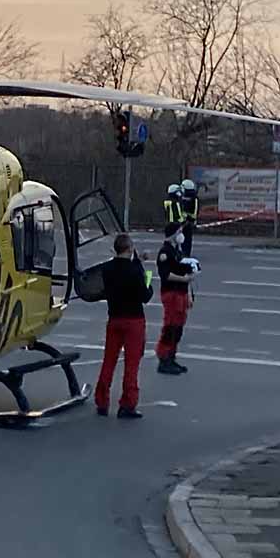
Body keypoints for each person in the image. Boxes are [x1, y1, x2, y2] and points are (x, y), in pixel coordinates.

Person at [94, 234, 153, 419]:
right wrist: (147, 276)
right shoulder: (135, 270)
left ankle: (102, 401)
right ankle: (127, 404)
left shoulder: (107, 268)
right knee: (131, 364)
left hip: (114, 318)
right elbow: (146, 295)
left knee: (108, 361)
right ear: (129, 249)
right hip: (134, 320)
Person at [156, 221, 196, 375]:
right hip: (171, 293)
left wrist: (189, 294)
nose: (181, 234)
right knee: (170, 327)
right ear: (172, 234)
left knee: (178, 328)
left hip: (181, 294)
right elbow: (166, 275)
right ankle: (164, 359)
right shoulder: (165, 252)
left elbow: (185, 270)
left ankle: (172, 357)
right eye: (179, 231)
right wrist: (184, 279)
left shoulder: (178, 251)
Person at [180, 178, 199, 257]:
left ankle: (185, 253)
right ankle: (184, 253)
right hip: (186, 221)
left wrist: (190, 219)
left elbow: (194, 211)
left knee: (186, 238)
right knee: (185, 238)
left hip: (186, 222)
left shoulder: (185, 197)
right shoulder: (193, 198)